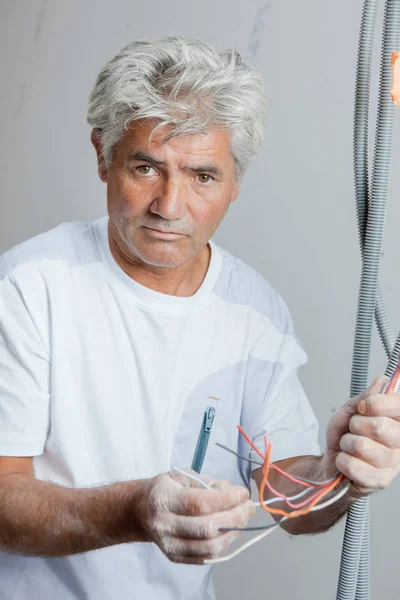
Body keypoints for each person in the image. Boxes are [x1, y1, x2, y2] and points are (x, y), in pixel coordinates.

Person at [0, 35, 399, 600]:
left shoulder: (254, 312)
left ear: (236, 183)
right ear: (101, 155)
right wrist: (135, 511)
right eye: (146, 167)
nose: (169, 205)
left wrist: (334, 474)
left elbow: (289, 499)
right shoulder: (29, 286)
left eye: (202, 176)